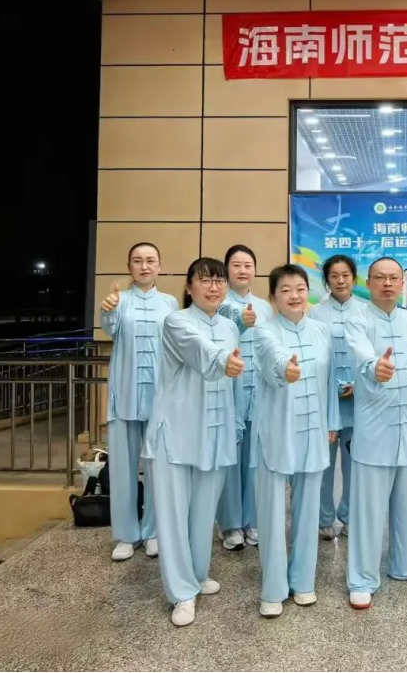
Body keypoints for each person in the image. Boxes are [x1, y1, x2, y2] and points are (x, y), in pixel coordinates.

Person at [143, 257, 244, 626]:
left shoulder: (230, 327)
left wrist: (236, 423)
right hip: (176, 431)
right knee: (173, 515)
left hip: (214, 432)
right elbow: (201, 350)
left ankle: (198, 575)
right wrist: (223, 360)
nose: (213, 287)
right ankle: (181, 592)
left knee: (203, 513)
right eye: (204, 280)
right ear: (189, 287)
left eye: (219, 280)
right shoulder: (176, 321)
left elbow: (235, 382)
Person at [344, 256, 407, 610]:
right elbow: (362, 356)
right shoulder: (357, 319)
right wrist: (376, 367)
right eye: (380, 278)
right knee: (368, 509)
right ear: (368, 282)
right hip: (375, 426)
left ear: (403, 283)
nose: (387, 284)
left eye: (393, 278)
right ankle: (362, 579)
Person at [252, 265, 341, 618]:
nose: (294, 295)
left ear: (308, 292)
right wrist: (284, 370)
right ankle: (273, 588)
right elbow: (273, 358)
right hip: (277, 429)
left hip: (313, 428)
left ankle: (303, 581)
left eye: (300, 288)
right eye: (285, 289)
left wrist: (332, 421)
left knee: (308, 509)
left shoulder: (321, 331)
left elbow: (330, 379)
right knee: (273, 513)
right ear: (273, 296)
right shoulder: (264, 331)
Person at [100, 242, 178, 562]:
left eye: (150, 260)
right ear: (129, 266)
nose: (144, 266)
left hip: (160, 397)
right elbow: (110, 328)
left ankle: (154, 531)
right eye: (137, 261)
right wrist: (108, 309)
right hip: (126, 395)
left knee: (158, 468)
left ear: (159, 266)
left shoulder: (170, 303)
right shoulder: (119, 300)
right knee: (123, 468)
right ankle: (126, 534)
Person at [216, 245, 271, 551]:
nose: (242, 270)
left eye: (248, 265)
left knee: (253, 460)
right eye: (236, 265)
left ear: (255, 270)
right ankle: (229, 524)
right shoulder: (218, 303)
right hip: (230, 388)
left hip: (258, 390)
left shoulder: (264, 307)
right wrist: (239, 318)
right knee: (229, 457)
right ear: (227, 270)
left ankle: (251, 520)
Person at [310, 255, 367, 539]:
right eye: (334, 276)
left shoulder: (366, 311)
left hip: (359, 401)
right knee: (324, 464)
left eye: (345, 275)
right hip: (326, 402)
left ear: (353, 278)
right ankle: (323, 518)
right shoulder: (315, 314)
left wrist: (360, 383)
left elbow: (372, 353)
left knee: (355, 464)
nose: (341, 280)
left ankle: (350, 516)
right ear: (327, 280)